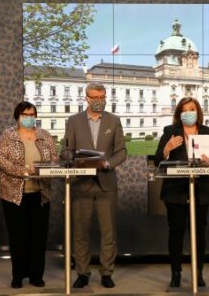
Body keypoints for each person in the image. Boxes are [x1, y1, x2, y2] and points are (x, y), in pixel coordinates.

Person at [62, 82, 127, 289]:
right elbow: (65, 151)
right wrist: (75, 158)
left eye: (102, 97)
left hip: (106, 184)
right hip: (81, 184)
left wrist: (108, 163)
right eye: (95, 97)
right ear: (86, 98)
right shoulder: (73, 121)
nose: (99, 101)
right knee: (80, 232)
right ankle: (82, 272)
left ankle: (106, 272)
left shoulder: (114, 121)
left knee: (108, 232)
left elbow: (122, 151)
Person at [0, 101, 58, 289]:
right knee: (18, 236)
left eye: (32, 115)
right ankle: (18, 275)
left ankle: (36, 275)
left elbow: (55, 158)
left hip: (40, 193)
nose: (29, 118)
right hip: (14, 194)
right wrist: (22, 171)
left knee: (38, 236)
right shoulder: (8, 135)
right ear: (18, 117)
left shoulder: (45, 135)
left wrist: (42, 169)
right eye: (25, 115)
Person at [154, 97, 209, 288]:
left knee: (199, 234)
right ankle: (176, 273)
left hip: (200, 191)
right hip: (175, 191)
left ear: (198, 112)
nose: (188, 112)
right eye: (184, 109)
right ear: (179, 113)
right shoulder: (170, 132)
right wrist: (167, 148)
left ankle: (198, 273)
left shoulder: (208, 132)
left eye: (192, 109)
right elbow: (158, 160)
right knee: (176, 232)